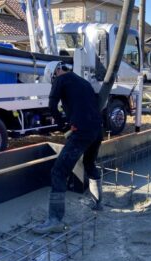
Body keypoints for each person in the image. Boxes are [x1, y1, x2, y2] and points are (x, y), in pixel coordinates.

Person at [33, 61, 104, 234]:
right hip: (97, 130)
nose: (54, 80)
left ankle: (55, 220)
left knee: (58, 172)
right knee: (89, 164)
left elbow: (51, 106)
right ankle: (98, 203)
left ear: (56, 71)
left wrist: (63, 126)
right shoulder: (83, 82)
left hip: (81, 132)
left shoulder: (60, 80)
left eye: (52, 78)